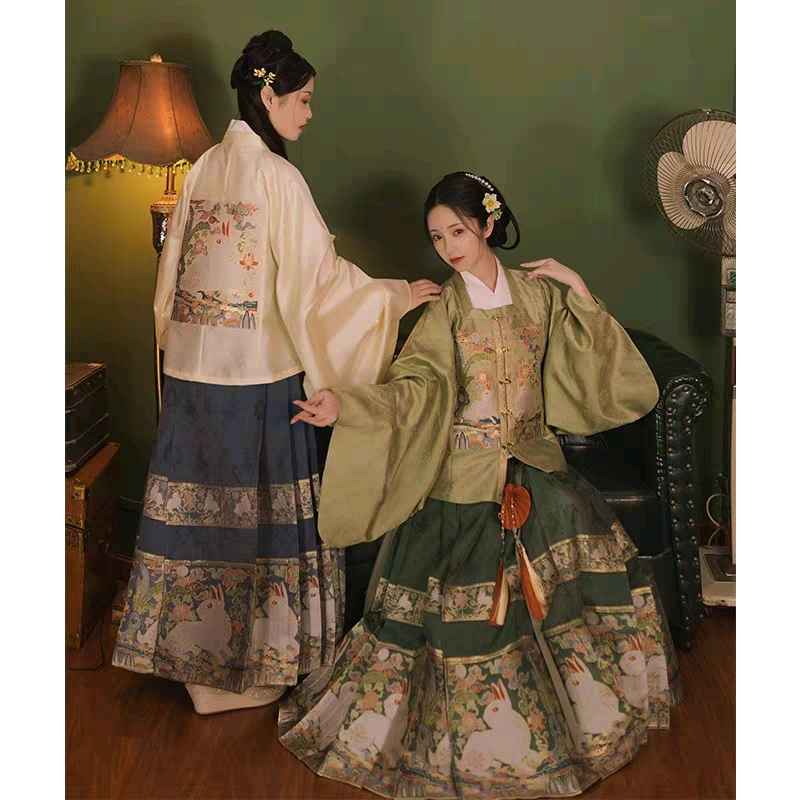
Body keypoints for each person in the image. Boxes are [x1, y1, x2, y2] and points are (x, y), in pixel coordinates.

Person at [278, 171, 681, 798]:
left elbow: (590, 364)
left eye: (458, 232)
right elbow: (415, 388)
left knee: (567, 554)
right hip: (464, 478)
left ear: (488, 225)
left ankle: (576, 723)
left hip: (536, 468)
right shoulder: (445, 310)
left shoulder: (538, 296)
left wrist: (578, 290)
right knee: (460, 598)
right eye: (437, 237)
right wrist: (345, 406)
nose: (447, 248)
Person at [111, 30, 441, 715]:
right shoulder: (278, 178)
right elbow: (318, 284)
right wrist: (393, 296)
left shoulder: (204, 167)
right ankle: (260, 666)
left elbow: (168, 283)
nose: (310, 113)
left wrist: (176, 350)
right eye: (304, 99)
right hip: (259, 381)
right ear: (269, 97)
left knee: (202, 521)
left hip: (194, 376)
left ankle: (198, 668)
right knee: (260, 524)